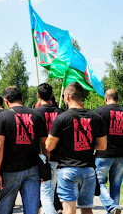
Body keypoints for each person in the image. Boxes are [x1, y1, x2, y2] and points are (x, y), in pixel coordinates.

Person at [46, 82, 107, 214]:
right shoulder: (96, 117)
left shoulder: (61, 118)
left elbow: (49, 146)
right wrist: (87, 144)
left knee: (68, 209)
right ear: (82, 97)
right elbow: (102, 145)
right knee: (86, 208)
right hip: (89, 170)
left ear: (67, 97)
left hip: (68, 169)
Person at [0, 86, 48, 214]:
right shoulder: (37, 115)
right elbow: (45, 144)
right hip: (33, 169)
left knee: (5, 208)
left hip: (9, 170)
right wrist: (46, 164)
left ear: (6, 101)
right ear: (22, 99)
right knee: (31, 209)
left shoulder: (3, 117)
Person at [35, 83, 63, 214]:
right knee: (51, 191)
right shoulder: (61, 113)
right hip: (60, 158)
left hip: (42, 159)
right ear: (52, 95)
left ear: (38, 96)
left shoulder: (34, 114)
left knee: (45, 194)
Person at [94, 89, 123, 214]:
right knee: (116, 186)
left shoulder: (100, 111)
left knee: (99, 182)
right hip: (121, 155)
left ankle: (111, 206)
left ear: (106, 99)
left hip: (103, 154)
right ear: (118, 99)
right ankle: (113, 207)